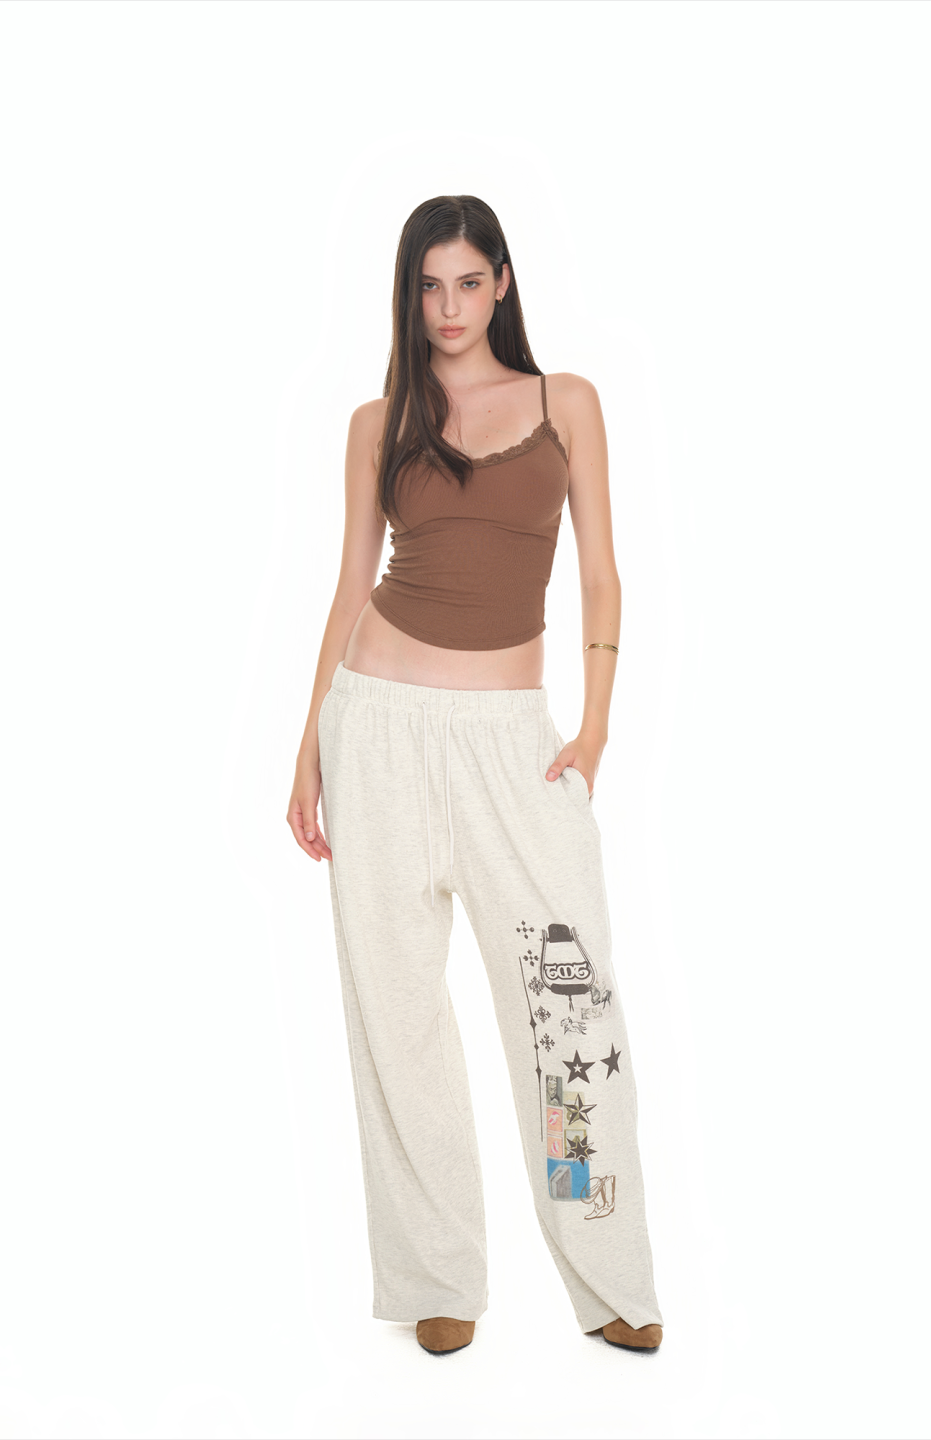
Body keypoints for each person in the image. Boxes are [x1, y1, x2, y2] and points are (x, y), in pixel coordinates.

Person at [286, 195, 664, 1357]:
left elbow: (602, 575)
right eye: (427, 285)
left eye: (467, 282)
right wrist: (309, 744)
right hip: (378, 727)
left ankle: (611, 1275)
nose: (448, 307)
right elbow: (351, 585)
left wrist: (596, 726)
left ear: (501, 282)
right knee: (398, 1016)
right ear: (410, 295)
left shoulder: (566, 404)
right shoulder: (380, 422)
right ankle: (436, 1276)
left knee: (569, 1011)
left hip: (514, 741)